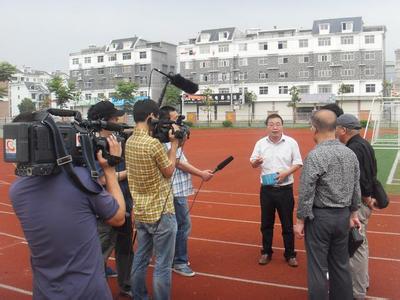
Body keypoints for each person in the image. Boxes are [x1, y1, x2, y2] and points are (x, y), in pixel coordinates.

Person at [9, 113, 126, 299]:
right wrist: (110, 169)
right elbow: (118, 217)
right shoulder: (80, 179)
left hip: (46, 292)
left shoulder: (16, 192)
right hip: (88, 293)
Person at [294, 109, 362, 300]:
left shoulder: (315, 156)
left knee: (317, 269)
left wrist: (300, 221)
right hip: (342, 217)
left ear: (314, 128)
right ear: (335, 128)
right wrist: (353, 214)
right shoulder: (350, 154)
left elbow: (307, 191)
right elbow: (356, 187)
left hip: (320, 219)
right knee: (341, 266)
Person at [125, 100, 179, 300]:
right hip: (161, 212)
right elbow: (169, 170)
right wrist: (174, 145)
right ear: (150, 117)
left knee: (140, 258)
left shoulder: (129, 141)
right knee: (163, 265)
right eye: (156, 117)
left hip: (141, 211)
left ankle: (139, 296)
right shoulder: (153, 143)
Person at [159, 106, 214, 277]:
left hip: (178, 188)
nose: (179, 123)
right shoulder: (165, 139)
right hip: (173, 191)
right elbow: (179, 162)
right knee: (181, 225)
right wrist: (201, 174)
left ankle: (171, 258)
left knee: (177, 226)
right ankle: (179, 261)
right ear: (165, 121)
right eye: (175, 119)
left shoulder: (173, 137)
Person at [87, 101, 134, 297]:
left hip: (123, 206)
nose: (119, 121)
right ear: (102, 122)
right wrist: (129, 173)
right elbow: (99, 179)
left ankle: (126, 285)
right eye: (115, 119)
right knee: (100, 256)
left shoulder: (115, 141)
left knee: (126, 250)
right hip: (104, 212)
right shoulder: (93, 146)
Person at [250, 113, 303, 267]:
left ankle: (290, 254)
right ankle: (266, 252)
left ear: (282, 126)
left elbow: (298, 162)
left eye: (278, 124)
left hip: (285, 189)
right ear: (267, 126)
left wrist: (286, 173)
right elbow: (252, 162)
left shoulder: (291, 143)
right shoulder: (260, 143)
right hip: (266, 190)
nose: (275, 127)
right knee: (266, 223)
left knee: (287, 224)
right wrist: (256, 162)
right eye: (271, 124)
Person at [336, 113, 378, 299]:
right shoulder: (365, 144)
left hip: (358, 204)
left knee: (356, 247)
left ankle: (356, 292)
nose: (335, 131)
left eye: (337, 128)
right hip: (364, 201)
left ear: (343, 130)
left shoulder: (352, 149)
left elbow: (359, 179)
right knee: (361, 244)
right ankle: (363, 281)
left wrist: (366, 197)